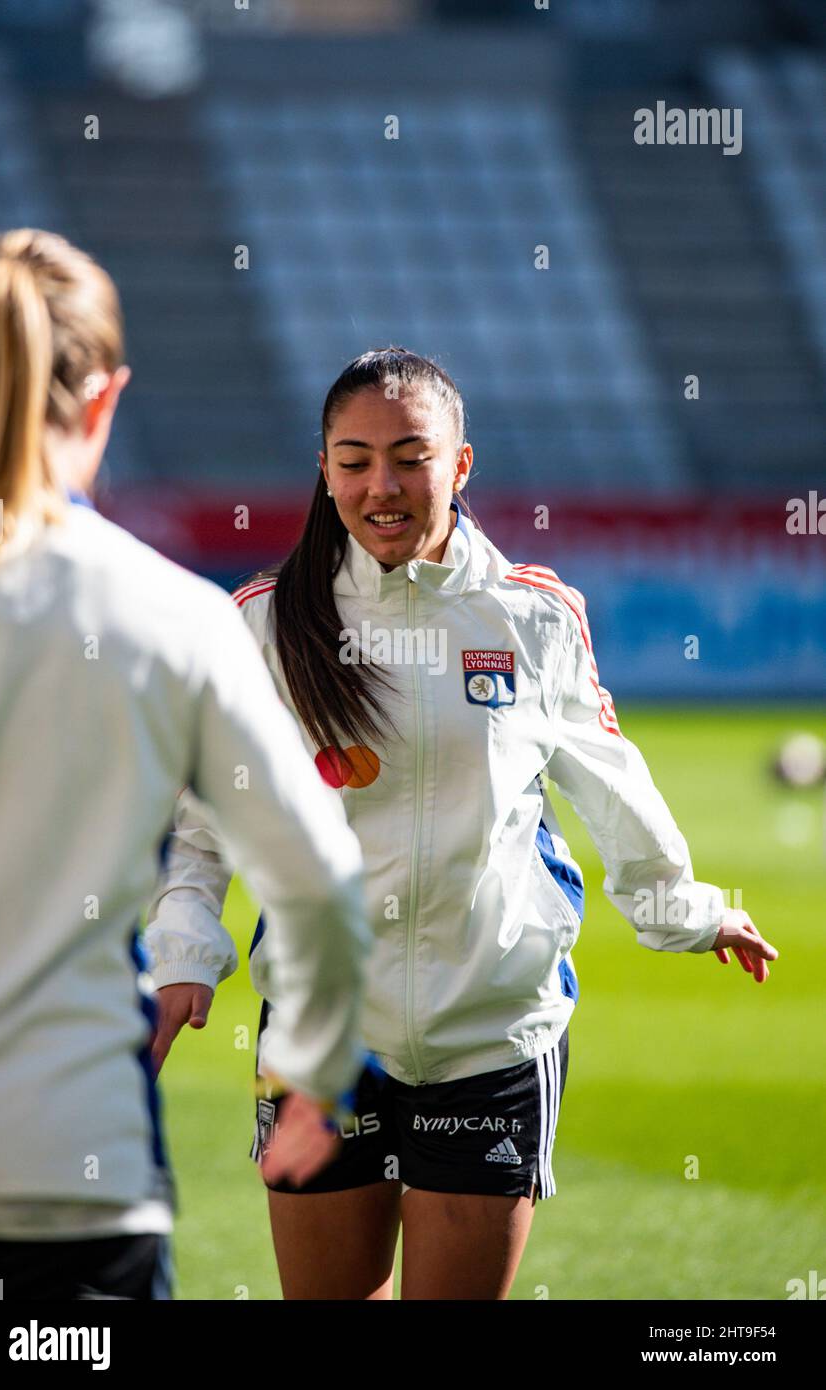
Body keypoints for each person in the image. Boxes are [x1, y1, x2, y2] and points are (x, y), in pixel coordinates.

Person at [146, 347, 779, 1301]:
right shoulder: (267, 625)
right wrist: (187, 945)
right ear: (323, 469)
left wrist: (684, 907)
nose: (382, 485)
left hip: (491, 1031)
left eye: (410, 455)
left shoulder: (533, 617)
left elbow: (607, 777)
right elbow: (200, 818)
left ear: (462, 464)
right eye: (353, 460)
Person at [0, 229, 373, 1300]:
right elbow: (320, 877)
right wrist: (318, 1075)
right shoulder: (174, 616)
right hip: (71, 1174)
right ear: (105, 400)